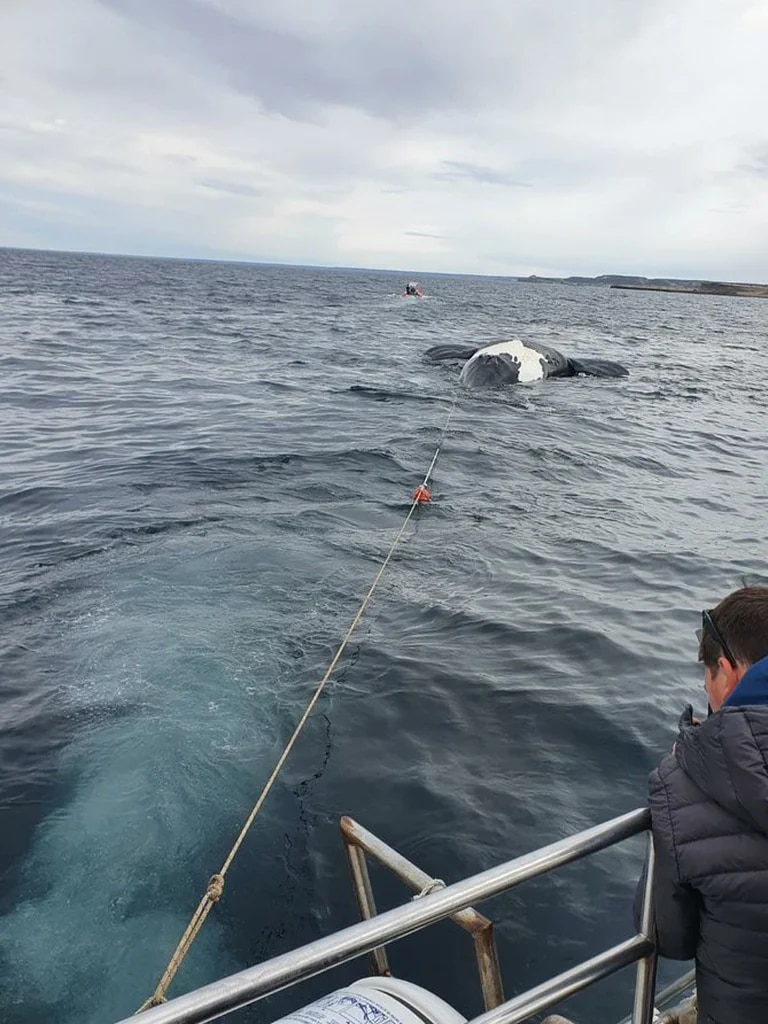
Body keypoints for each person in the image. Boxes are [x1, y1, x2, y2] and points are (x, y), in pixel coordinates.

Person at [633, 585, 768, 1024]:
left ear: (726, 672)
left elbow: (665, 934)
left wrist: (685, 767)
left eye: (707, 677)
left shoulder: (683, 782)